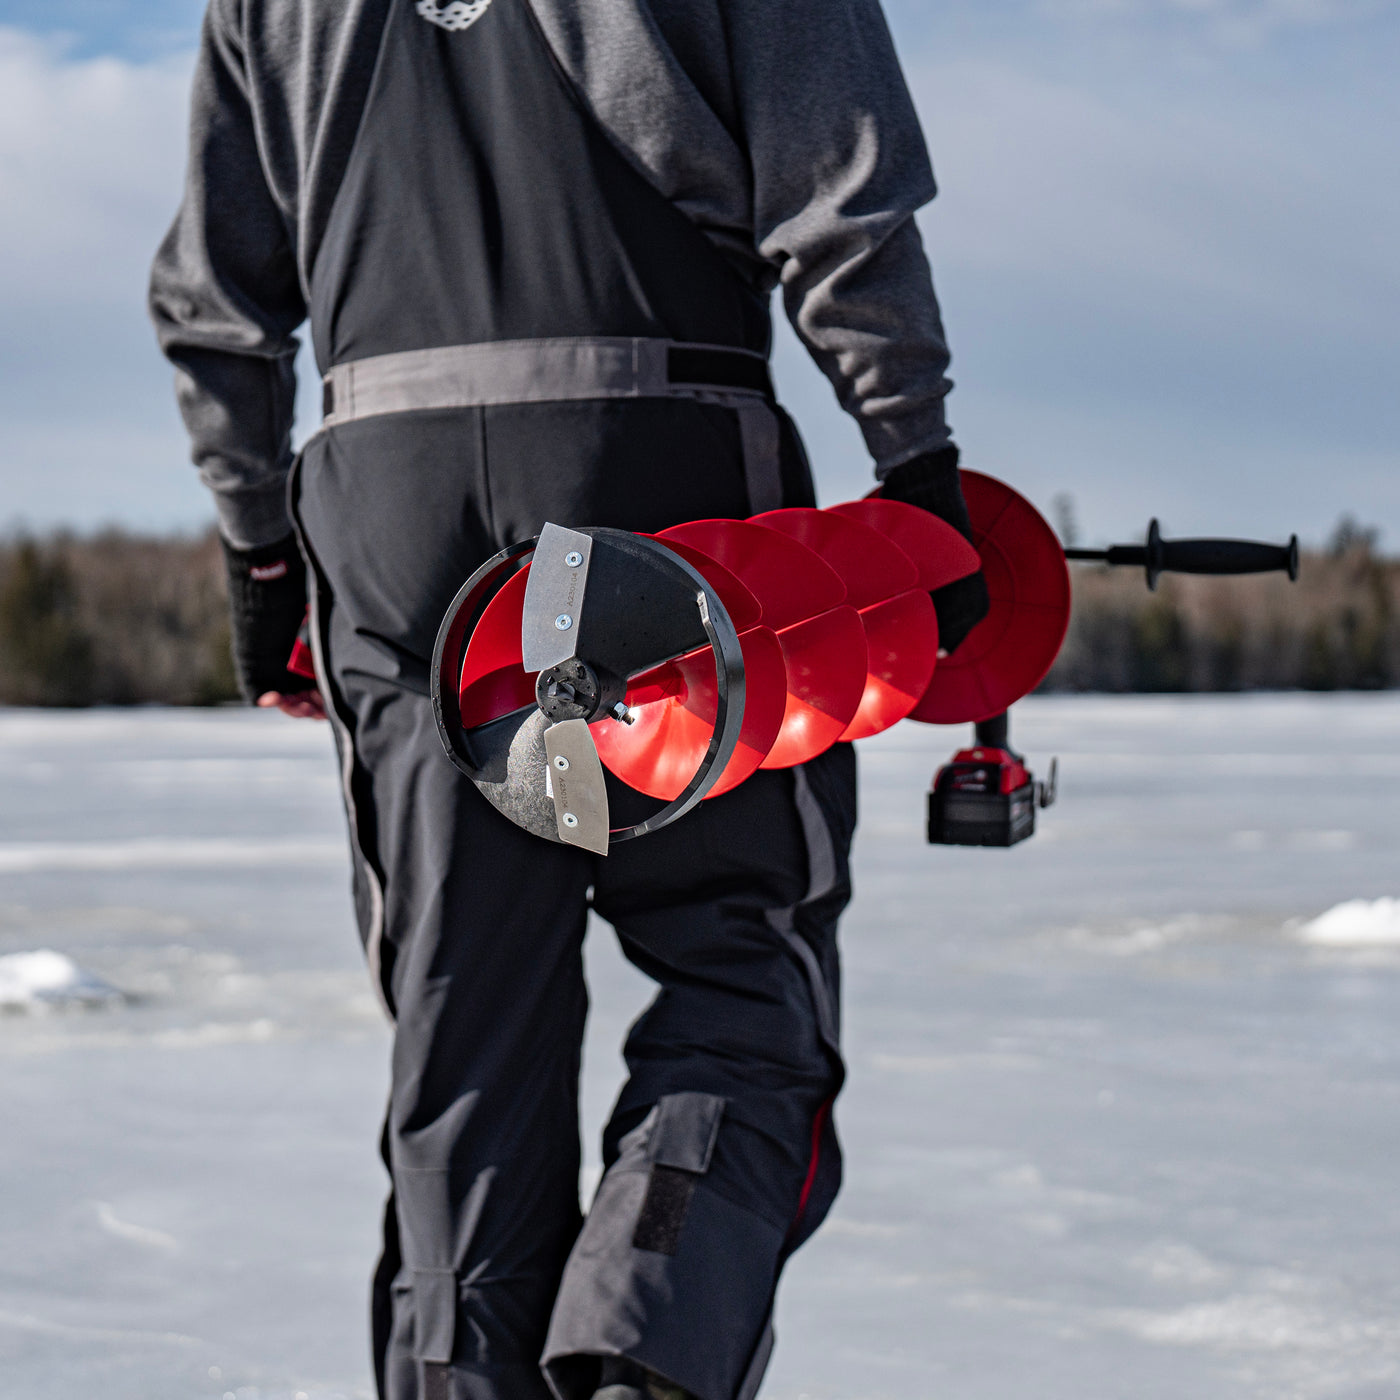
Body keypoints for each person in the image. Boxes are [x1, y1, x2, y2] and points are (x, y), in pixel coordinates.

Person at [150, 1, 989, 1397]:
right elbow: (843, 189)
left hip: (387, 504)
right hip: (661, 472)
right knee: (737, 962)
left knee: (464, 1018)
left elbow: (216, 298)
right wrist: (916, 459)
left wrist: (258, 546)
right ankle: (642, 1348)